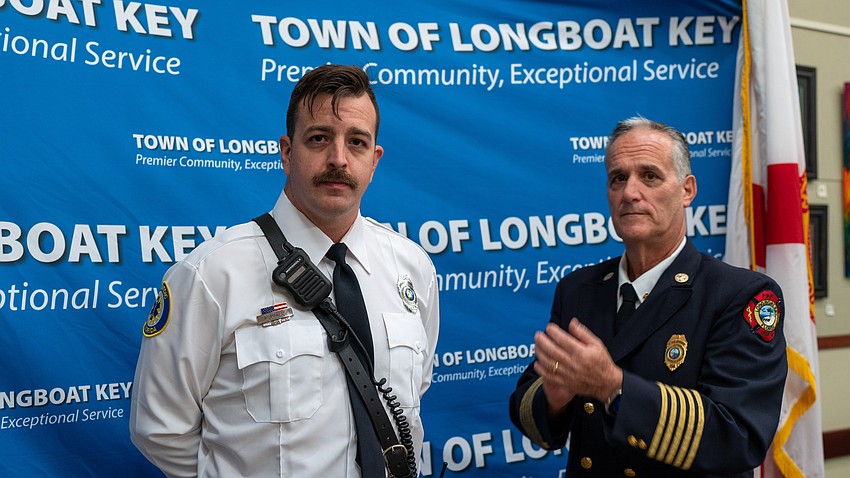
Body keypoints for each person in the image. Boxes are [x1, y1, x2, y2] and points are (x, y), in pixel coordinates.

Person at [130, 64, 440, 477]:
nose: (338, 159)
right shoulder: (212, 273)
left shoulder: (412, 266)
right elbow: (160, 429)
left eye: (357, 142)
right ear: (288, 152)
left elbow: (414, 391)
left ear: (374, 160)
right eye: (319, 138)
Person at [508, 117, 787, 477]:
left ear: (687, 190)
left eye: (649, 176)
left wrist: (614, 386)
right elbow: (531, 419)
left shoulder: (740, 295)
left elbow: (738, 436)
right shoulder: (579, 289)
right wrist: (555, 396)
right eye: (618, 178)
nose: (629, 192)